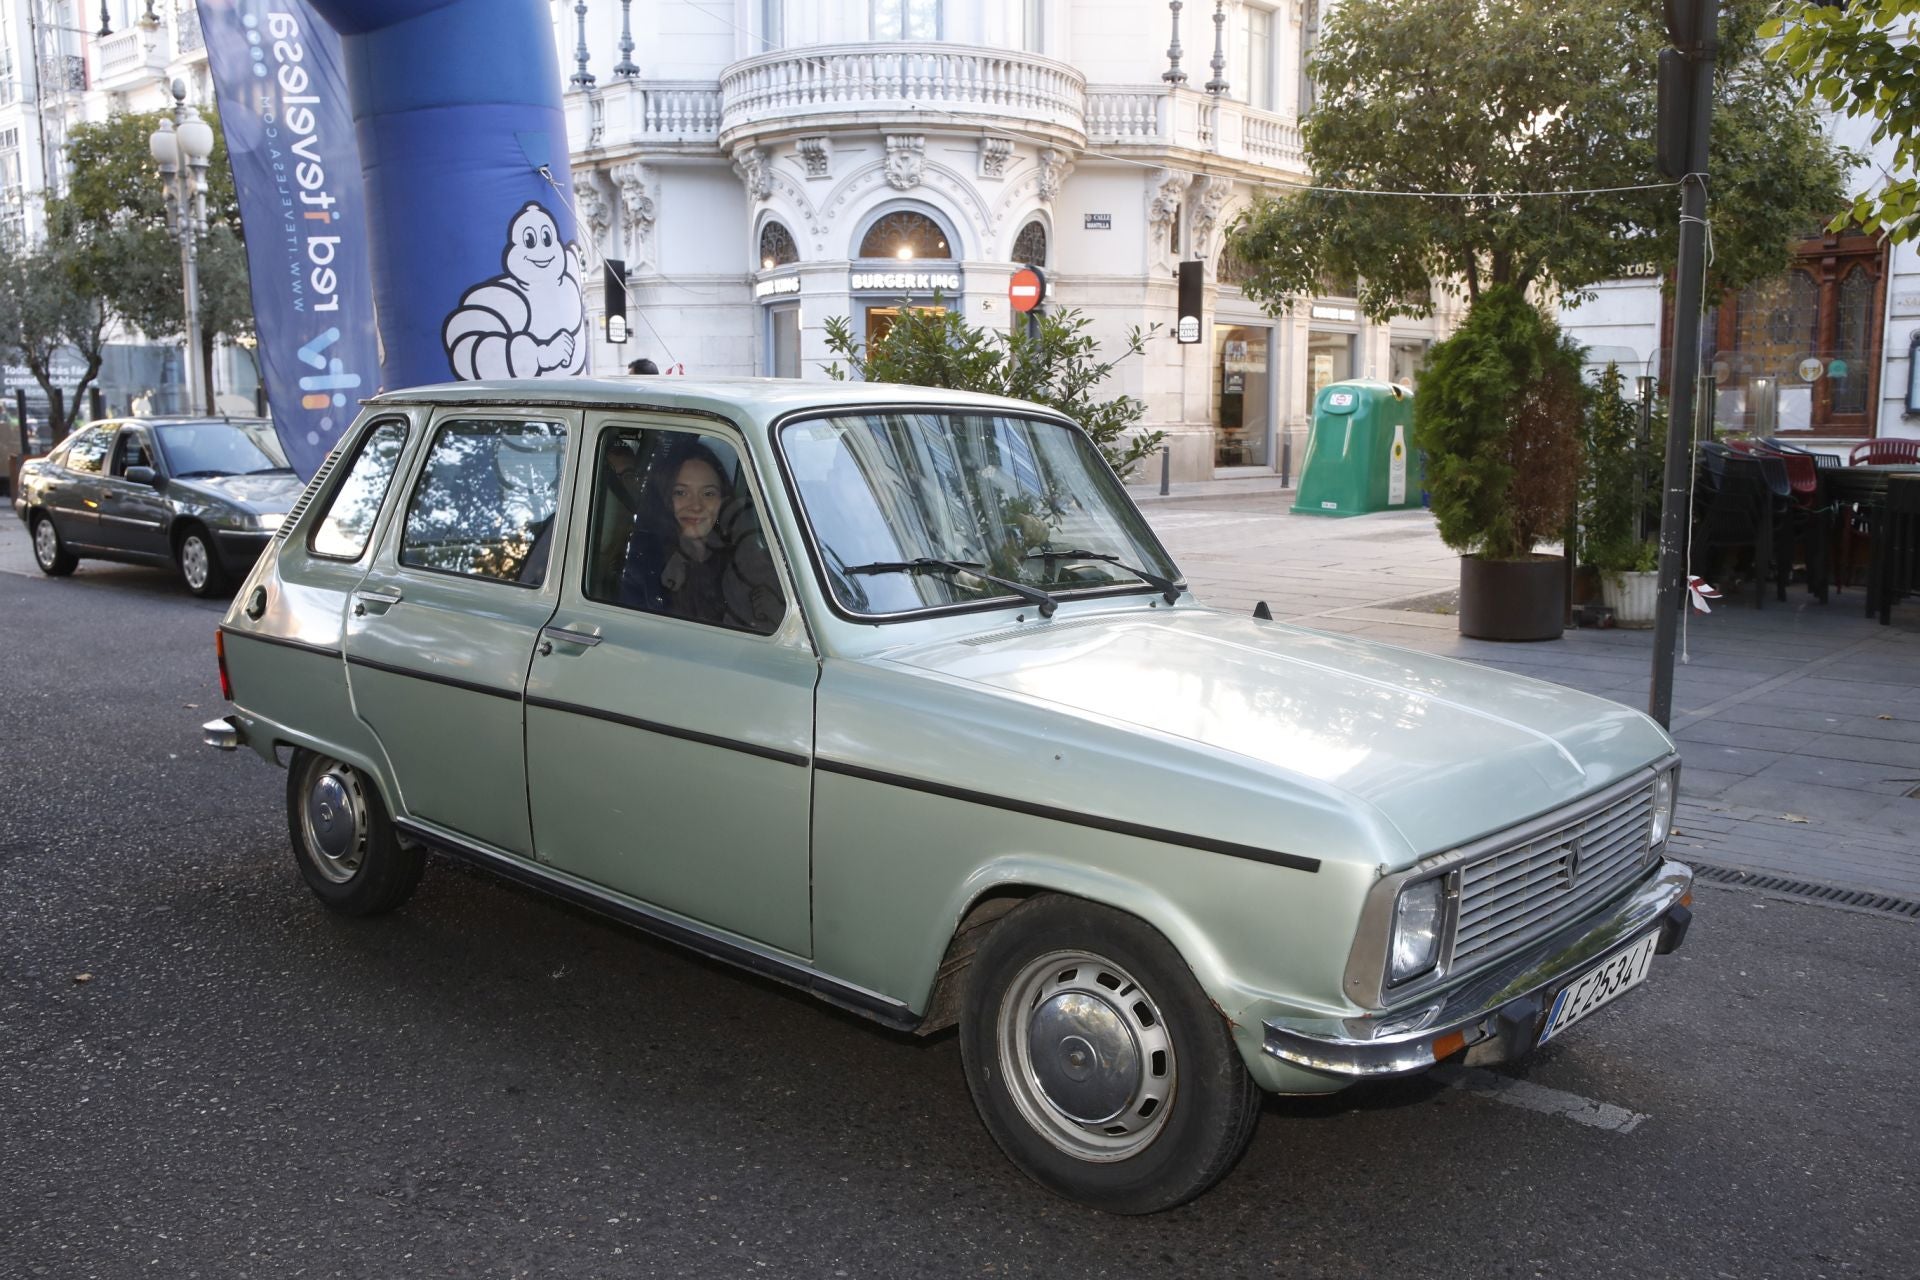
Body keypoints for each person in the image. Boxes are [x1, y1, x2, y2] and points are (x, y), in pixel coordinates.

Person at [617, 438, 783, 632]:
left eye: (708, 494)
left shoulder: (746, 559)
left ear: (723, 500)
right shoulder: (644, 566)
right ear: (665, 499)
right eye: (681, 492)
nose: (696, 506)